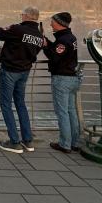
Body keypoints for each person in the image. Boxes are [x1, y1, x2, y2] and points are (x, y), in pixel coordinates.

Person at [0, 7, 44, 154]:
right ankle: (28, 141)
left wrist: (6, 28)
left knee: (6, 104)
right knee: (20, 104)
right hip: (24, 71)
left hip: (10, 70)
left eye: (22, 14)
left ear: (26, 16)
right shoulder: (40, 35)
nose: (21, 16)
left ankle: (14, 141)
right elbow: (32, 51)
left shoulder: (17, 29)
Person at [42, 12, 81, 154]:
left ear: (59, 23)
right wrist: (48, 43)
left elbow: (54, 57)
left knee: (62, 112)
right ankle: (75, 142)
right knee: (71, 112)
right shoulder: (70, 38)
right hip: (72, 78)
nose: (50, 24)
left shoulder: (63, 41)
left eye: (52, 22)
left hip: (62, 79)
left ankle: (65, 144)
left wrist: (45, 46)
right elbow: (59, 52)